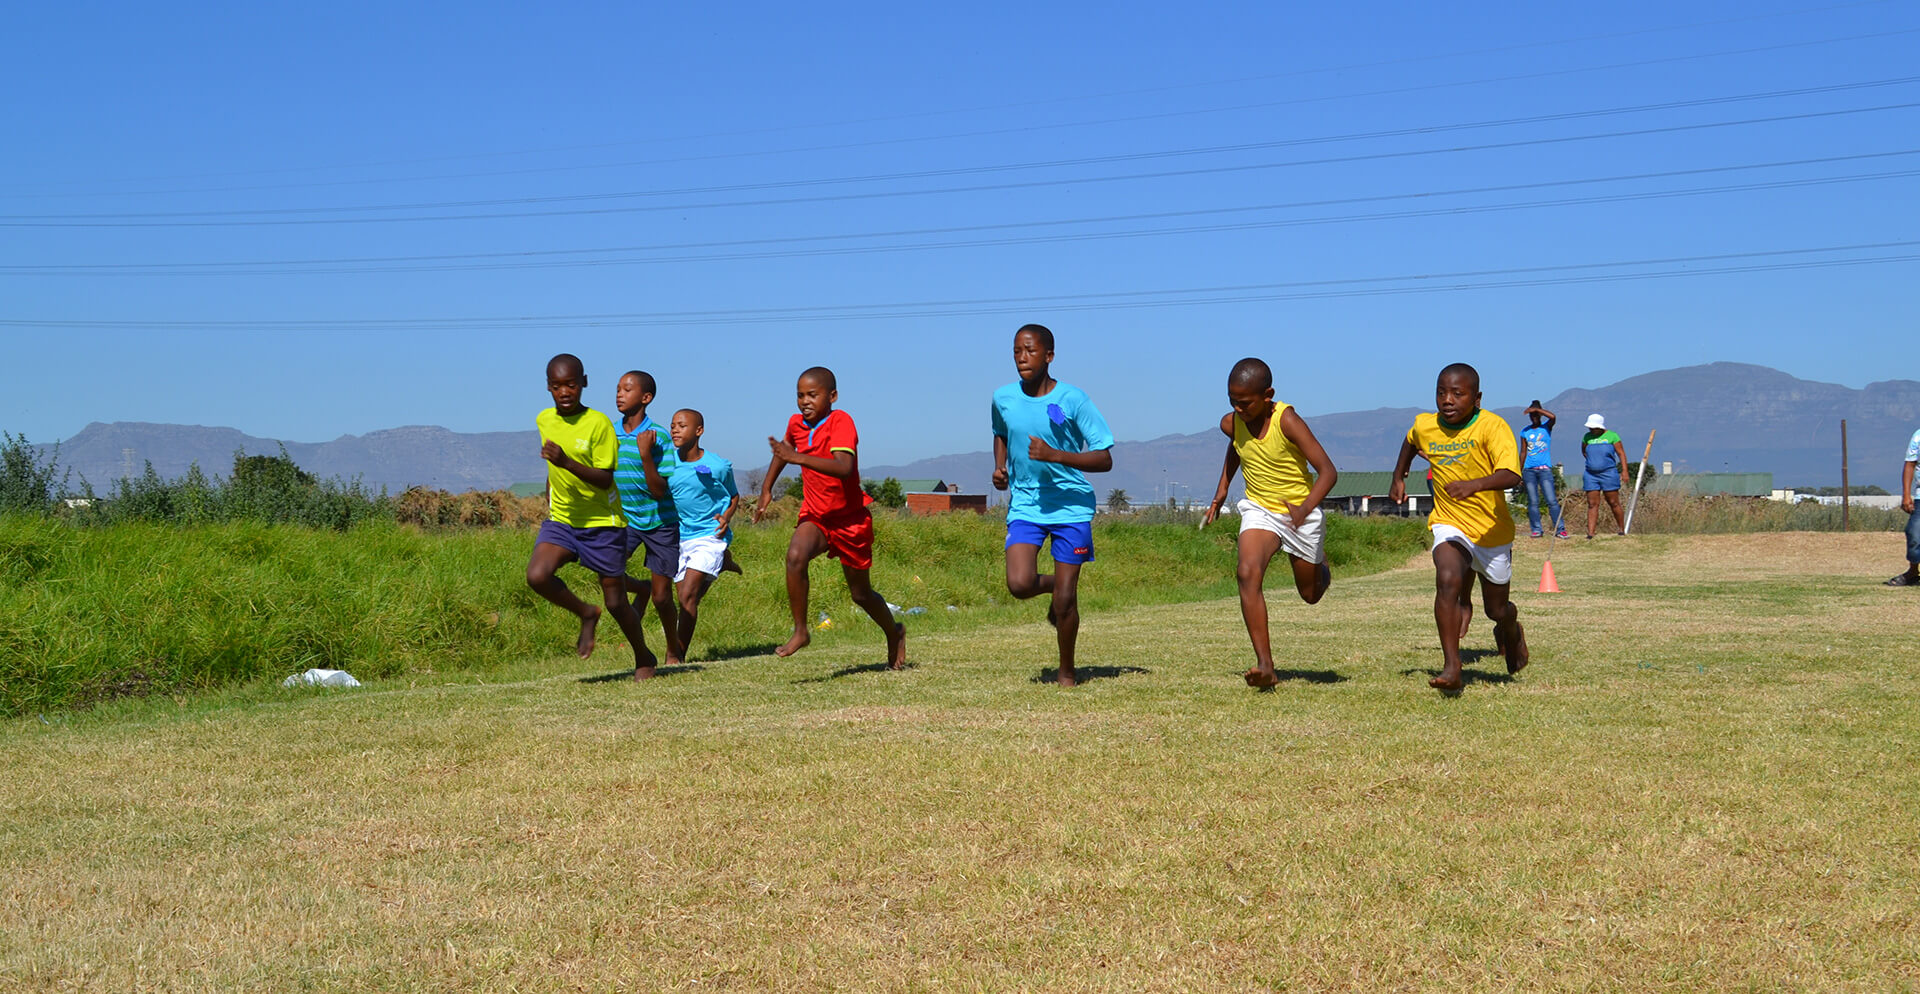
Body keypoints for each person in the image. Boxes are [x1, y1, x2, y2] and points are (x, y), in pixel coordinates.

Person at [753, 366, 907, 668]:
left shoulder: (841, 421)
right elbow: (784, 452)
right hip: (817, 515)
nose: (805, 401)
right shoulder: (796, 424)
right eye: (800, 395)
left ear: (832, 396)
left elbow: (843, 467)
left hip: (851, 520)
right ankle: (801, 631)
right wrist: (767, 488)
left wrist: (798, 458)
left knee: (860, 594)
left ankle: (895, 632)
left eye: (813, 394)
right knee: (795, 556)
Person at [1201, 358, 1340, 689]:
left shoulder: (1287, 420)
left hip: (1298, 512)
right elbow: (1237, 446)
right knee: (1247, 572)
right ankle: (1265, 665)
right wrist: (1222, 491)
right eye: (1232, 400)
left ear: (1268, 395)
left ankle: (1322, 569)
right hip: (1260, 509)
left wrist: (1304, 509)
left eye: (1245, 402)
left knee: (1310, 594)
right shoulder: (1232, 422)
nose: (1238, 408)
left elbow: (1329, 472)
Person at [1390, 363, 1528, 692]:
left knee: (1496, 609)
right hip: (1450, 523)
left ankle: (1510, 628)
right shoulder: (1426, 425)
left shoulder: (1492, 427)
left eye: (1457, 393)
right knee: (1447, 578)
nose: (1447, 400)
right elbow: (1410, 442)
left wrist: (1474, 485)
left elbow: (1512, 475)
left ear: (1476, 398)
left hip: (1492, 531)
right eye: (1441, 392)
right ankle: (1452, 667)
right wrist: (1399, 476)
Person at [992, 323, 1114, 688]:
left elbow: (1104, 458)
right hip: (1027, 505)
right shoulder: (1003, 397)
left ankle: (1066, 671)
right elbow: (1000, 432)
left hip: (1071, 508)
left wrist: (1056, 455)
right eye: (1016, 351)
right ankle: (1057, 588)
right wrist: (1000, 468)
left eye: (1029, 350)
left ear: (1049, 355)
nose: (1021, 358)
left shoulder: (1073, 400)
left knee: (1065, 602)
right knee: (1019, 583)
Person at [526, 353, 655, 673]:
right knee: (537, 575)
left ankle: (643, 656)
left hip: (602, 523)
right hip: (563, 519)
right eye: (557, 386)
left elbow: (604, 478)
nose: (565, 392)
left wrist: (565, 462)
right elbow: (551, 466)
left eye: (571, 384)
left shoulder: (598, 424)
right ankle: (586, 613)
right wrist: (550, 491)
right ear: (548, 388)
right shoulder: (545, 419)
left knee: (615, 602)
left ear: (583, 383)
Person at [612, 370, 681, 675]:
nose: (619, 394)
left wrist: (645, 454)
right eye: (617, 389)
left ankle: (672, 645)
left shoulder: (659, 437)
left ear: (646, 398)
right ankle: (638, 590)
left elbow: (659, 490)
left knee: (663, 597)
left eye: (627, 389)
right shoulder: (609, 434)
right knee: (606, 571)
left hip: (660, 523)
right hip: (625, 521)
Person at [665, 409, 742, 658]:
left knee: (688, 597)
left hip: (710, 536)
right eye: (673, 425)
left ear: (699, 431)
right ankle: (723, 563)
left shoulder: (718, 466)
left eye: (682, 425)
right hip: (680, 538)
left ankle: (676, 656)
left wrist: (727, 517)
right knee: (686, 599)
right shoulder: (666, 463)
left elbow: (733, 495)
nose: (675, 429)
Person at [1519, 401, 1569, 539]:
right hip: (1529, 470)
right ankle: (1536, 529)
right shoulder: (1525, 431)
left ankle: (1560, 529)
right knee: (1533, 501)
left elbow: (1553, 417)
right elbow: (1523, 452)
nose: (1534, 417)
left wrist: (1537, 410)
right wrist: (1519, 471)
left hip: (1545, 470)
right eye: (1532, 415)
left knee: (1551, 500)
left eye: (1537, 414)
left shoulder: (1546, 428)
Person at [1580, 413, 1629, 538]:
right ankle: (1591, 532)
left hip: (1609, 473)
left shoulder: (1612, 436)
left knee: (1613, 502)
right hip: (1591, 474)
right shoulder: (1587, 437)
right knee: (1592, 503)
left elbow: (1621, 454)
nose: (1591, 429)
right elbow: (1584, 451)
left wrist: (1624, 471)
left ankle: (1621, 529)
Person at [1887, 427, 1920, 586]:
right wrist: (1906, 495)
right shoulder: (1918, 436)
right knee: (1914, 533)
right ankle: (1913, 572)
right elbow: (1910, 465)